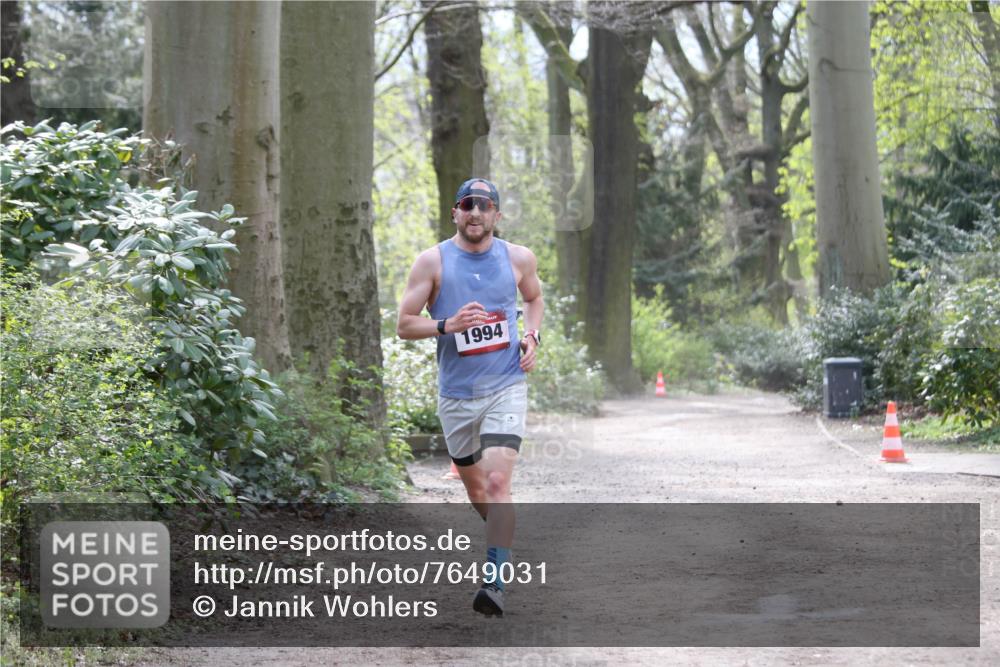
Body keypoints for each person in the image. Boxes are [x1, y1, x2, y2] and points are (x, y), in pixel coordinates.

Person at [397, 178, 543, 617]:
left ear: (497, 215)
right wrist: (447, 325)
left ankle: (494, 584)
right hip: (456, 396)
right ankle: (503, 532)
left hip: (506, 385)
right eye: (467, 205)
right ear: (455, 213)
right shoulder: (432, 262)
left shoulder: (518, 258)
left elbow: (534, 299)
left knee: (498, 483)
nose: (475, 212)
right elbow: (404, 324)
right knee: (478, 490)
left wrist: (532, 335)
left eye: (485, 206)